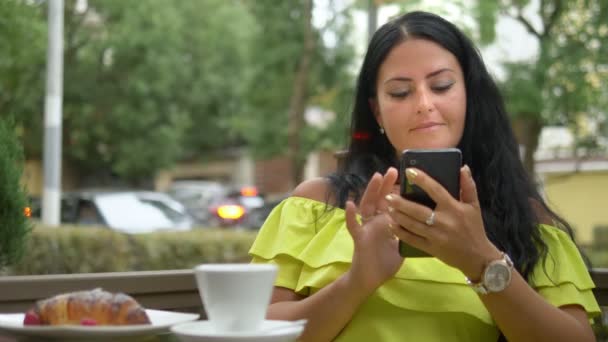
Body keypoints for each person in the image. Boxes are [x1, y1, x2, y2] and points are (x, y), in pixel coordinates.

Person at [249, 11, 600, 342]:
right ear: (377, 112)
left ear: (469, 96)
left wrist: (482, 263)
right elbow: (250, 332)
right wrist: (358, 282)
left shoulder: (524, 220)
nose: (423, 103)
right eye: (400, 92)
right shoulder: (315, 205)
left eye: (442, 86)